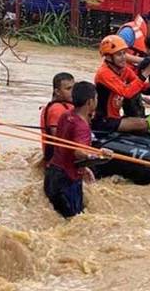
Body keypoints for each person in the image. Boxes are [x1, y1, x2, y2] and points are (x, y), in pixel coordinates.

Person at [44, 81, 112, 217]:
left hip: (52, 174)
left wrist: (84, 168)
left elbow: (65, 147)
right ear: (90, 102)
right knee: (74, 220)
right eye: (96, 98)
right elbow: (79, 152)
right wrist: (99, 154)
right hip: (67, 180)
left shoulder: (66, 115)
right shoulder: (82, 126)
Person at [93, 35, 150, 133]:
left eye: (124, 53)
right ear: (108, 57)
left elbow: (141, 86)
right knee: (144, 124)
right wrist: (146, 72)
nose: (123, 58)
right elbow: (126, 92)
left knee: (146, 120)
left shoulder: (124, 70)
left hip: (115, 117)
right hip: (105, 121)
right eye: (119, 54)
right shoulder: (104, 73)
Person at [40, 72, 74, 162]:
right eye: (68, 89)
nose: (73, 92)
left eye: (74, 88)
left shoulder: (64, 105)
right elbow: (58, 140)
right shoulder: (57, 109)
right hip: (57, 161)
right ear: (57, 92)